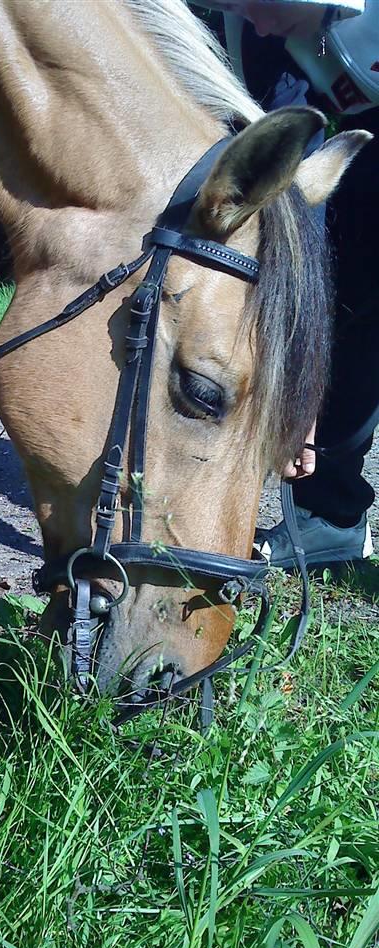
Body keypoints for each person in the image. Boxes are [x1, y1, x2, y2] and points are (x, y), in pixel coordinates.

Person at [196, 0, 378, 568]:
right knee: (344, 299)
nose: (256, 20)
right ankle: (329, 517)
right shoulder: (260, 33)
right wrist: (299, 388)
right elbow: (293, 207)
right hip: (345, 134)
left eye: (263, 3)